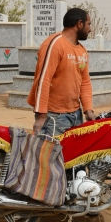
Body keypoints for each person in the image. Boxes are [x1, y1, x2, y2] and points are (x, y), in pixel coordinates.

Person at [27, 8, 97, 136]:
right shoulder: (55, 44)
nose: (90, 29)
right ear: (79, 24)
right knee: (52, 155)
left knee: (74, 155)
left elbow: (85, 81)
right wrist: (42, 116)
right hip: (54, 117)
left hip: (76, 115)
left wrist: (88, 109)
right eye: (89, 24)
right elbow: (43, 80)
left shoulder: (82, 50)